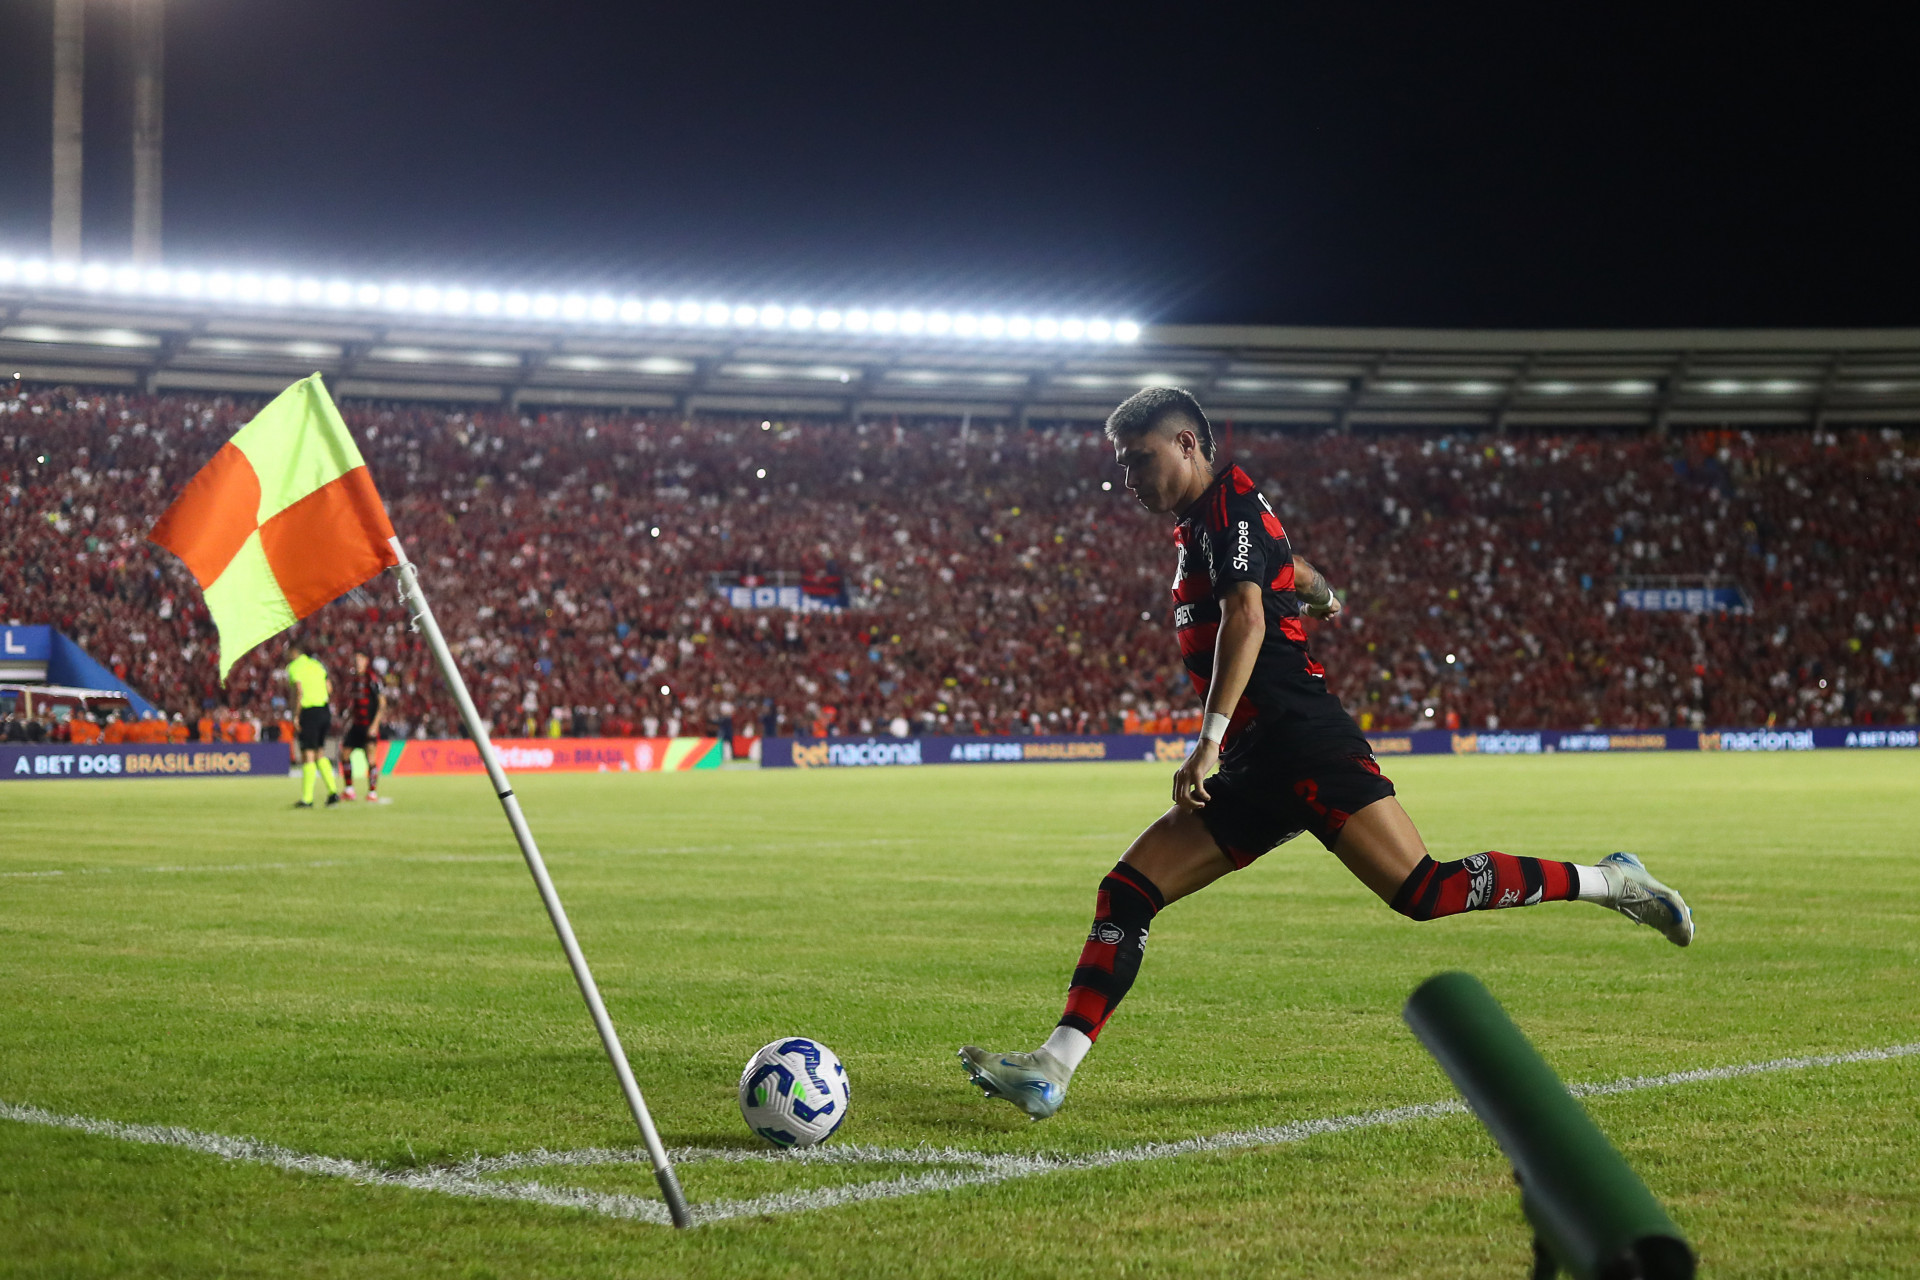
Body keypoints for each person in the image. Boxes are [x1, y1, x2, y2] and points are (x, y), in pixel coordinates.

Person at [959, 387, 1694, 1120]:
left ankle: (1613, 882)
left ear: (1187, 446)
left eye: (1138, 460)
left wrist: (1205, 744)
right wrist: (1321, 591)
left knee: (1423, 891)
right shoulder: (1206, 526)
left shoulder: (1231, 507)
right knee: (1127, 892)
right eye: (1120, 465)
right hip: (1258, 762)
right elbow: (1289, 568)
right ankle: (1051, 1068)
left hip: (1302, 743)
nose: (1127, 479)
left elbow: (1246, 615)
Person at [285, 645, 341, 809]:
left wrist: (296, 715)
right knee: (320, 752)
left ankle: (307, 799)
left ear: (295, 652)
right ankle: (333, 792)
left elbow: (299, 691)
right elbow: (329, 688)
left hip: (308, 711)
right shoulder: (317, 665)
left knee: (308, 754)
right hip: (324, 710)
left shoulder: (294, 667)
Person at [337, 651, 384, 803]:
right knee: (344, 754)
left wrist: (375, 725)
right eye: (355, 660)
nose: (357, 663)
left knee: (370, 758)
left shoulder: (372, 678)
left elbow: (382, 703)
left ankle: (372, 792)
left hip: (368, 725)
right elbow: (355, 704)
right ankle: (349, 790)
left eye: (360, 660)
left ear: (366, 661)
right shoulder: (355, 680)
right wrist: (349, 719)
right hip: (357, 725)